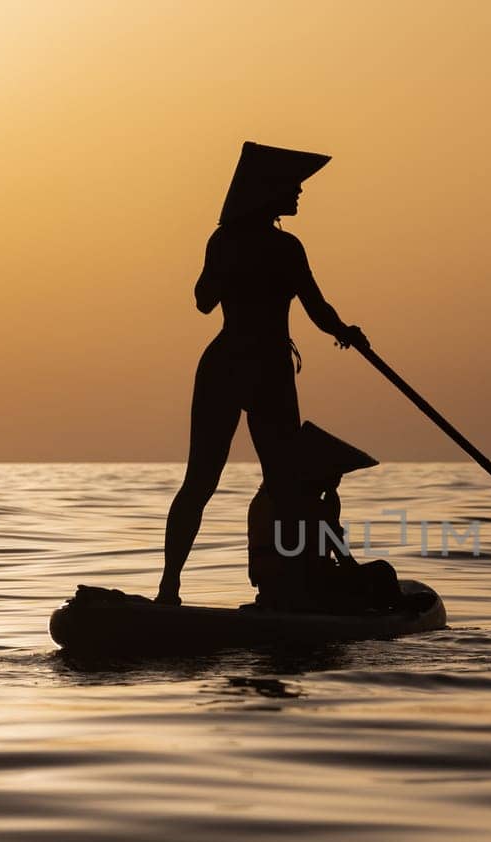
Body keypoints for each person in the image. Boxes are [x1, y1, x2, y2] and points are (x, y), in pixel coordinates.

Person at [156, 142, 369, 606]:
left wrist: (345, 332)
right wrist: (343, 330)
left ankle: (276, 589)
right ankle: (173, 589)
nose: (298, 194)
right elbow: (312, 309)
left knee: (267, 484)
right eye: (291, 187)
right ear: (266, 193)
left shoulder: (234, 241)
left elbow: (204, 300)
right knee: (246, 484)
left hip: (234, 363)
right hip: (259, 368)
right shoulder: (277, 247)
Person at [246, 422, 403, 613]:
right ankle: (400, 611)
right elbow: (347, 565)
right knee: (382, 571)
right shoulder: (312, 507)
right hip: (306, 596)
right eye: (334, 472)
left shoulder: (264, 498)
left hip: (272, 593)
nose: (338, 479)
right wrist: (331, 516)